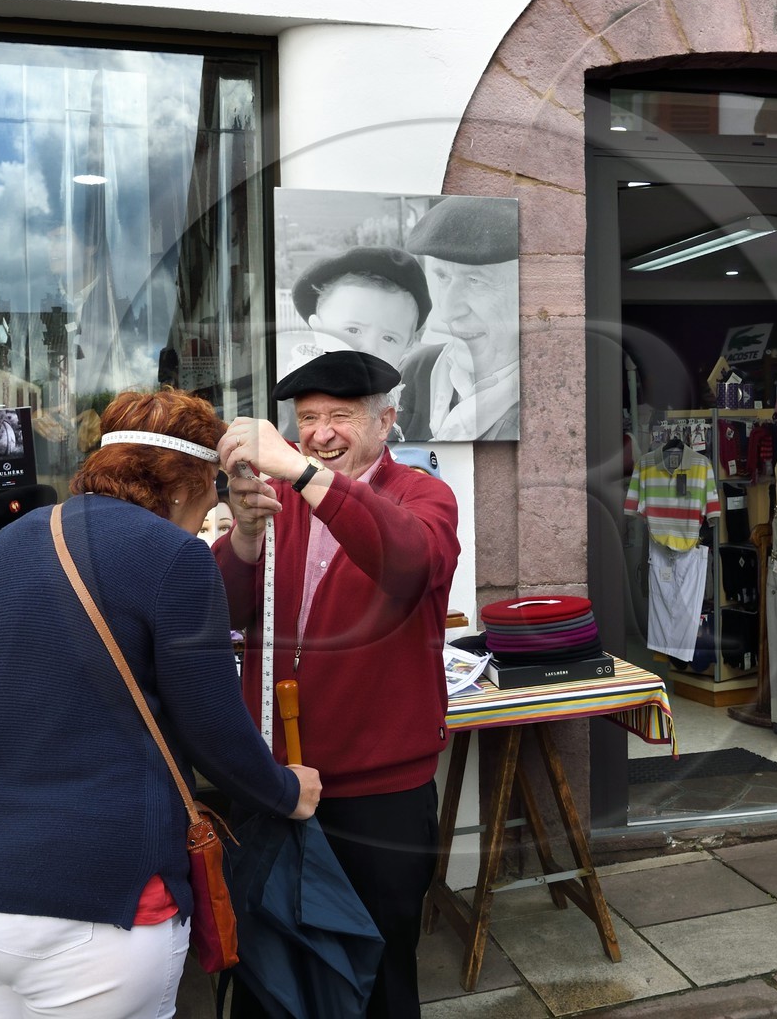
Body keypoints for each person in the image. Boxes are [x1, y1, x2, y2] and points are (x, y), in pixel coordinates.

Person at [0, 388, 321, 1018]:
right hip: (100, 900)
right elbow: (211, 726)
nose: (210, 506)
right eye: (210, 493)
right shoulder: (177, 557)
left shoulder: (5, 546)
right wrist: (285, 791)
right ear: (181, 488)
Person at [214, 349, 459, 1018]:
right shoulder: (280, 502)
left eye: (340, 417)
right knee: (268, 968)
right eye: (307, 418)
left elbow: (408, 562)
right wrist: (242, 536)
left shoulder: (421, 495)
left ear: (386, 420)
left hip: (378, 792)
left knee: (377, 971)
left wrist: (300, 469)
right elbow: (222, 610)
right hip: (276, 781)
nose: (320, 432)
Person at [396, 196, 521, 441]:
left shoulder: (552, 397)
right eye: (443, 277)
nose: (448, 312)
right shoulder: (420, 370)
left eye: (476, 281)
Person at [289, 245, 432, 371]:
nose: (369, 349)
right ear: (320, 331)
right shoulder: (313, 384)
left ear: (407, 347)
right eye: (353, 330)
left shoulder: (386, 386)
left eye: (389, 338)